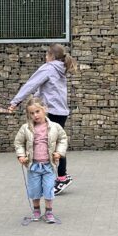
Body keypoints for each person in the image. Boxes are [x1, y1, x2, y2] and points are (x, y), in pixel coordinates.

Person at [8, 43, 76, 193]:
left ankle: (61, 178)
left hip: (52, 111)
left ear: (51, 56)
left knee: (51, 143)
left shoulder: (49, 68)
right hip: (60, 111)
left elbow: (30, 85)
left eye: (46, 54)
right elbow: (45, 90)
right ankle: (59, 176)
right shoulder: (60, 68)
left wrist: (15, 102)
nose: (45, 57)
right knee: (55, 142)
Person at [14, 97, 67, 223]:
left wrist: (59, 152)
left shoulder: (55, 126)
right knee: (34, 189)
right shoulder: (25, 128)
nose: (35, 115)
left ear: (45, 110)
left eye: (37, 111)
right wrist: (21, 155)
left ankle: (49, 212)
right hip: (33, 166)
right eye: (31, 113)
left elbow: (63, 139)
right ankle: (36, 210)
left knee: (49, 188)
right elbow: (18, 142)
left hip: (49, 165)